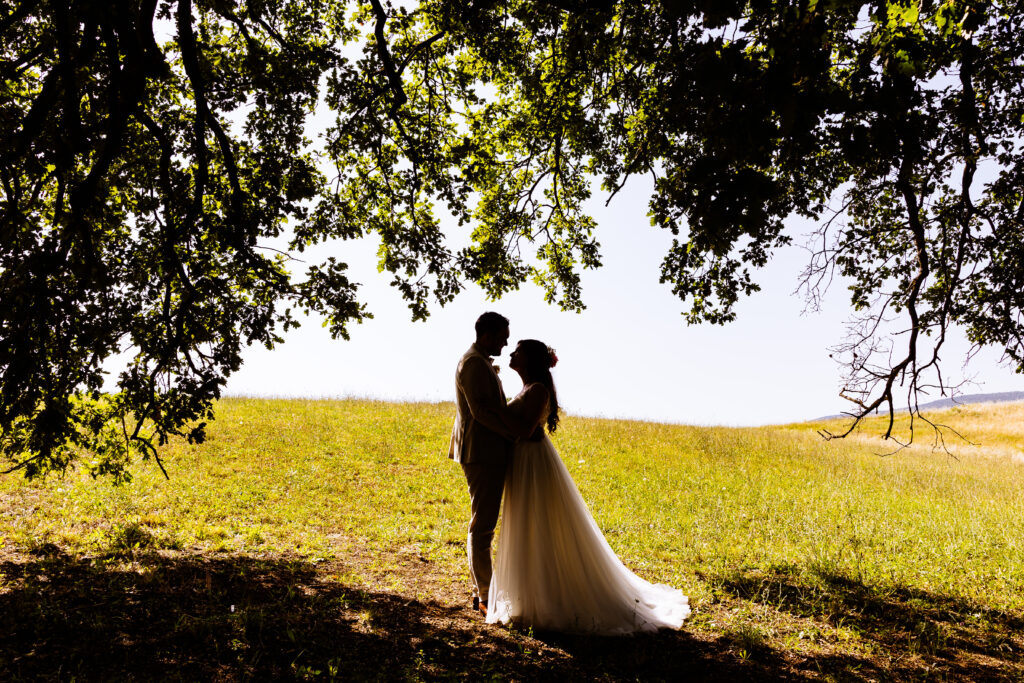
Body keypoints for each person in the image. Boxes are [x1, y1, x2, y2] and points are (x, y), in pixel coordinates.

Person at [485, 339, 691, 634]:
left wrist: (493, 406)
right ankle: (529, 595)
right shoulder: (529, 389)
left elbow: (523, 429)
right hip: (524, 461)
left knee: (538, 524)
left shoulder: (538, 390)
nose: (512, 354)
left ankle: (547, 599)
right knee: (526, 524)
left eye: (517, 351)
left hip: (533, 462)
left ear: (529, 359)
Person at [449, 312, 515, 617]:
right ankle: (485, 593)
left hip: (485, 451)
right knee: (483, 525)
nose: (506, 342)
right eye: (502, 337)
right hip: (481, 452)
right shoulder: (474, 363)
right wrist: (512, 434)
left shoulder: (479, 361)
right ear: (486, 335)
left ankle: (482, 590)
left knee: (483, 523)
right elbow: (479, 412)